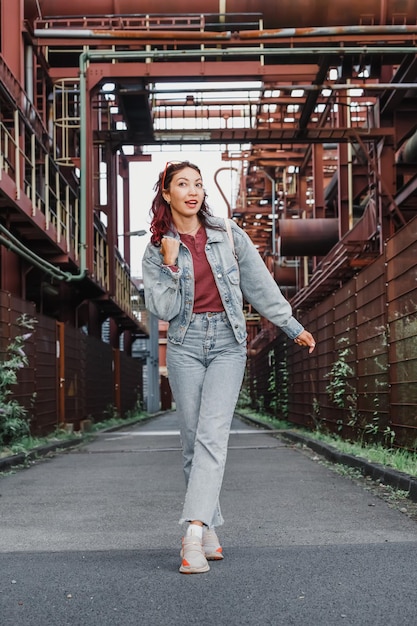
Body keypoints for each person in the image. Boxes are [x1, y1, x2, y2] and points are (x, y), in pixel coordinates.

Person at [142, 160, 316, 575]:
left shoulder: (226, 234)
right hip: (184, 345)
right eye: (183, 184)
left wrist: (291, 326)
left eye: (199, 184)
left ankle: (193, 535)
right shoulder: (155, 248)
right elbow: (163, 309)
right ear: (167, 194)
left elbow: (258, 283)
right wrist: (168, 264)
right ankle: (213, 531)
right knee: (191, 443)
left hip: (227, 342)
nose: (193, 191)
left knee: (212, 436)